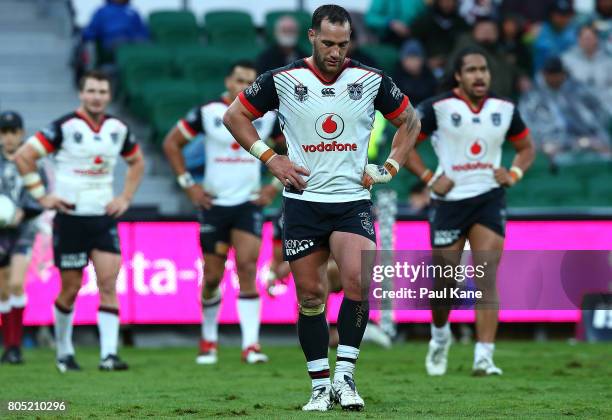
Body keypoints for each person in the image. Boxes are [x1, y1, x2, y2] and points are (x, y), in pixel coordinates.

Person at [223, 4, 420, 411]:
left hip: (352, 201)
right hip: (303, 204)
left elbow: (410, 121)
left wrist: (392, 165)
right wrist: (270, 158)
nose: (335, 51)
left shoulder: (370, 80)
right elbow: (235, 115)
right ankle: (318, 386)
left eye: (343, 44)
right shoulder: (282, 80)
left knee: (358, 283)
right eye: (328, 43)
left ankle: (345, 379)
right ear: (311, 36)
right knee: (311, 297)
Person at [405, 47, 535, 376]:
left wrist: (514, 173)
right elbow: (404, 144)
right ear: (459, 76)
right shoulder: (438, 107)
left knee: (485, 277)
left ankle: (484, 356)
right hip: (449, 204)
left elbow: (526, 148)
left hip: (489, 198)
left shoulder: (504, 109)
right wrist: (429, 178)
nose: (480, 75)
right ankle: (439, 337)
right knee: (445, 283)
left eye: (484, 70)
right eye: (473, 70)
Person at [14, 70, 145, 372]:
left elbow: (137, 161)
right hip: (70, 218)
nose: (96, 97)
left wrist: (124, 197)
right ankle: (64, 351)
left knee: (109, 283)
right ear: (81, 94)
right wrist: (43, 196)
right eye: (91, 91)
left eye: (102, 91)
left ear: (108, 96)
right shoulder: (64, 127)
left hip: (103, 217)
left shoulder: (118, 128)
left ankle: (109, 355)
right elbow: (24, 156)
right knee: (71, 288)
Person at [163, 61, 281, 365]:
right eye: (239, 79)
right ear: (228, 81)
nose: (243, 84)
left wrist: (275, 185)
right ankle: (209, 339)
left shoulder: (268, 116)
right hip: (213, 205)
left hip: (248, 204)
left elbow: (295, 148)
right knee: (213, 276)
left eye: (249, 80)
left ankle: (251, 345)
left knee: (247, 267)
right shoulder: (208, 112)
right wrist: (189, 185)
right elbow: (171, 143)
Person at [0, 112, 45, 364]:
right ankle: (8, 346)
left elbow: (42, 192)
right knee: (3, 289)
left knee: (17, 283)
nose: (9, 137)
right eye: (4, 132)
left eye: (13, 132)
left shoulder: (31, 160)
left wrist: (24, 211)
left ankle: (16, 346)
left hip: (24, 229)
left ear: (21, 133)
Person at [519, 56, 611, 158]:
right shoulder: (532, 96)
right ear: (544, 75)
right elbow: (525, 125)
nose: (555, 78)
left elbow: (601, 111)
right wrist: (542, 142)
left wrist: (595, 130)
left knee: (601, 147)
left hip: (586, 138)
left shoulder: (578, 90)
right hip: (551, 142)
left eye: (558, 74)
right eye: (551, 75)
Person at [410, 0, 471, 78]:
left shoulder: (461, 24)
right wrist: (425, 62)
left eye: (451, 1)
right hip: (425, 67)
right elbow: (414, 42)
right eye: (443, 1)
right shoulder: (424, 21)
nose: (447, 4)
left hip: (453, 67)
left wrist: (448, 60)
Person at [562, 24, 612, 114]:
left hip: (605, 104)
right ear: (578, 40)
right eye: (584, 38)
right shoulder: (566, 60)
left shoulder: (608, 60)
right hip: (576, 106)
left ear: (596, 39)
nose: (587, 42)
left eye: (590, 38)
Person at [81, 0, 149, 65]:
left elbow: (142, 30)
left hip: (134, 41)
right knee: (123, 45)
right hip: (113, 42)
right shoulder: (102, 11)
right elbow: (92, 29)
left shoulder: (133, 12)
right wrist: (86, 36)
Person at [532, 0, 578, 72]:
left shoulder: (574, 31)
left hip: (569, 77)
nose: (563, 18)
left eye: (566, 15)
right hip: (543, 76)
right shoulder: (539, 31)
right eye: (560, 15)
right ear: (551, 15)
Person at [392, 40, 438, 107]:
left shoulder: (429, 77)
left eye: (415, 57)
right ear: (402, 60)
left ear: (422, 59)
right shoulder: (396, 78)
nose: (412, 62)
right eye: (409, 58)